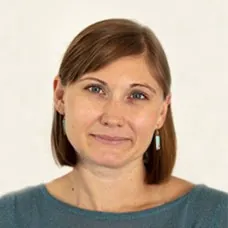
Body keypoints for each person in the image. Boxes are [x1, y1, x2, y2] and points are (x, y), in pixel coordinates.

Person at [0, 18, 227, 228]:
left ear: (161, 112)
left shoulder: (215, 217)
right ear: (60, 96)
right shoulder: (11, 217)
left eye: (137, 95)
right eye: (95, 89)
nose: (113, 118)